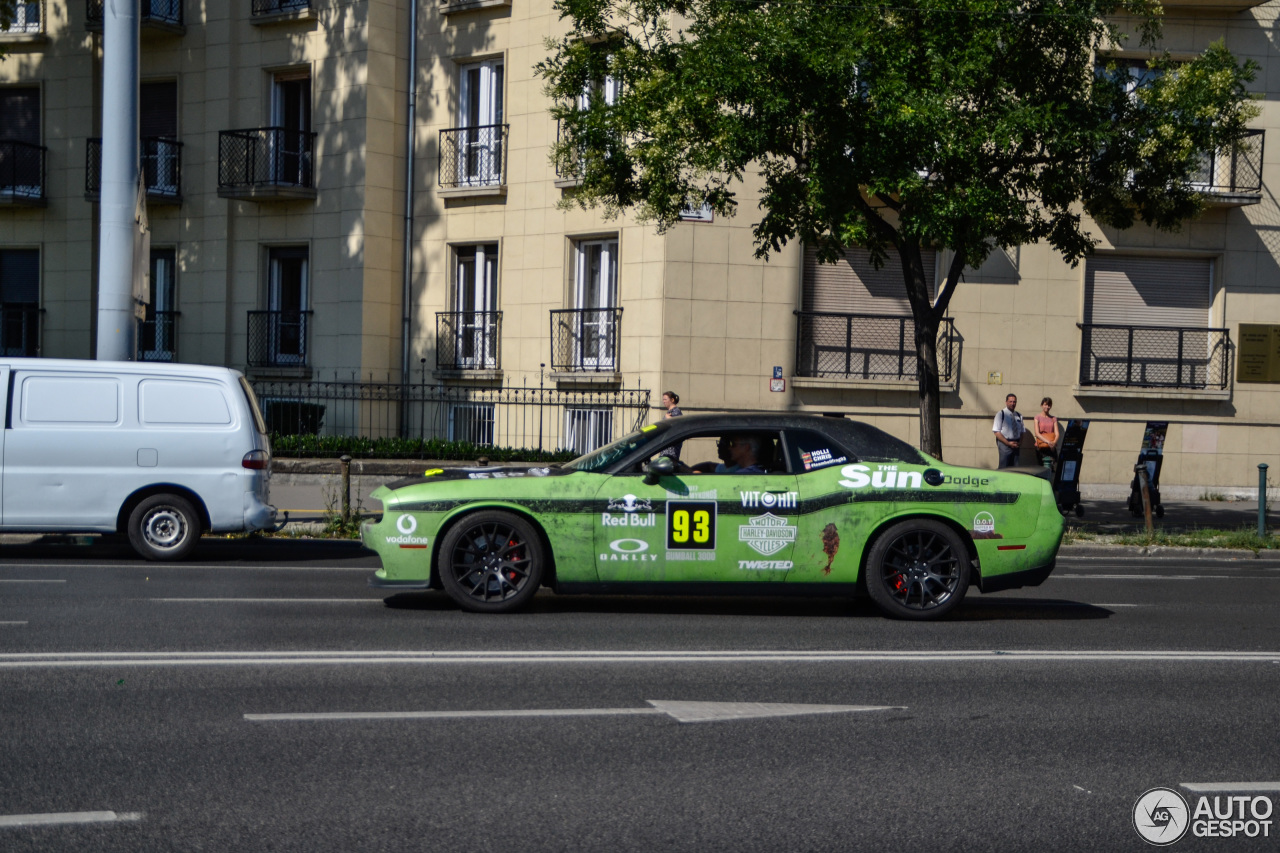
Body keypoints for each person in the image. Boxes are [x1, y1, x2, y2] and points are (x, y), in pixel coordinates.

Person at [992, 393, 1024, 468]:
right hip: (1004, 444)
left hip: (1016, 444)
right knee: (1004, 467)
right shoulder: (1001, 414)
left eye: (1014, 402)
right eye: (1010, 401)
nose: (1013, 403)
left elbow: (1022, 431)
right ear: (1006, 402)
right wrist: (1008, 443)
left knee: (1015, 468)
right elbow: (996, 432)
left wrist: (1020, 443)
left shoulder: (1019, 415)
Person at [1032, 397, 1060, 471]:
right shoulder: (1037, 417)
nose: (1047, 407)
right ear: (1042, 405)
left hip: (1051, 447)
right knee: (1042, 468)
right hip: (1041, 446)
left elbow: (1057, 434)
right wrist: (1048, 442)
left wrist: (1054, 442)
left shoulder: (1053, 418)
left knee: (1054, 467)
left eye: (1049, 405)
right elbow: (1037, 433)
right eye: (1045, 405)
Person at [658, 391, 684, 460]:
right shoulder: (670, 412)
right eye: (663, 400)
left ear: (672, 400)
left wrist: (668, 418)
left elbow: (677, 426)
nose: (664, 401)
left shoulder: (676, 411)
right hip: (666, 448)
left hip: (671, 450)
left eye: (665, 399)